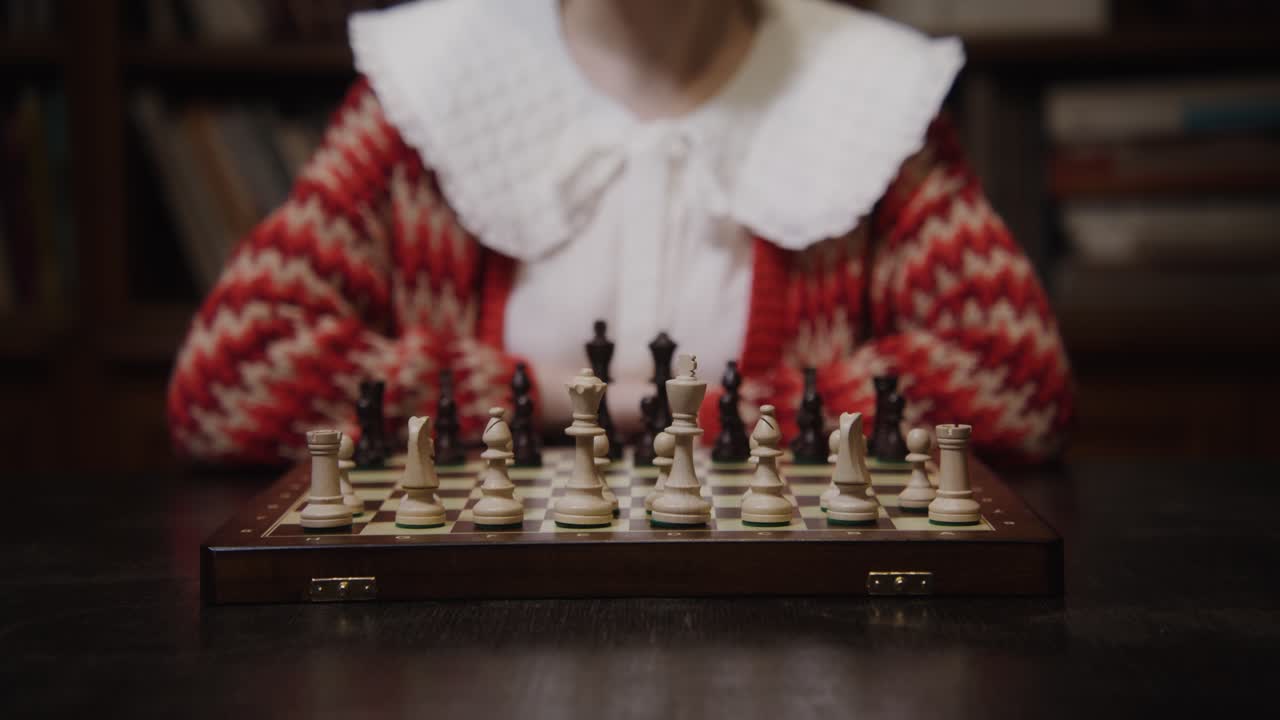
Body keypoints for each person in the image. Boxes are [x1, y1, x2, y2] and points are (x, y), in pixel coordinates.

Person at [167, 0, 1073, 466]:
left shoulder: (866, 103)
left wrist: (721, 418)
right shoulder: (427, 95)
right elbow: (232, 376)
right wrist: (572, 398)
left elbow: (1012, 374)